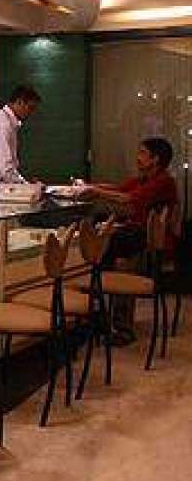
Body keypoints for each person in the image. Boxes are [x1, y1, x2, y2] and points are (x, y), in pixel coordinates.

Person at [79, 137, 178, 344]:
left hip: (154, 243)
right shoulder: (144, 179)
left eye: (142, 153)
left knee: (104, 247)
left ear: (155, 159)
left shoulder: (163, 181)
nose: (137, 157)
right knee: (103, 240)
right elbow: (119, 189)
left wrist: (96, 192)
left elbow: (128, 199)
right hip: (138, 235)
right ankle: (99, 312)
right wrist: (87, 186)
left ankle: (100, 312)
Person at [0, 85, 42, 200]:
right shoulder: (3, 124)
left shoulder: (7, 121)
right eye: (30, 108)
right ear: (19, 102)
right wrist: (27, 187)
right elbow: (5, 167)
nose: (30, 113)